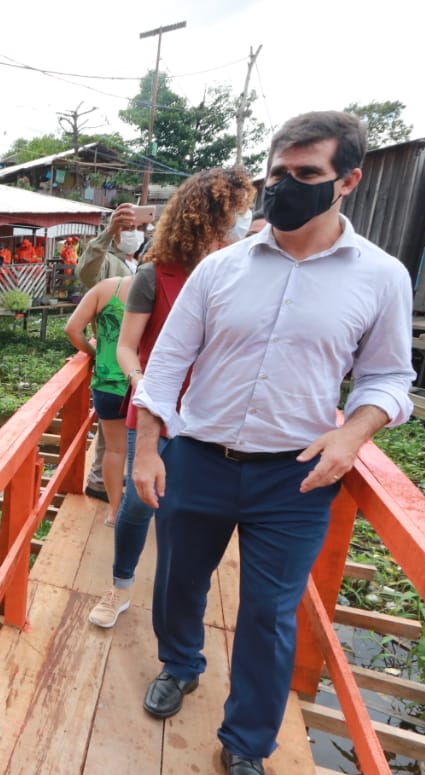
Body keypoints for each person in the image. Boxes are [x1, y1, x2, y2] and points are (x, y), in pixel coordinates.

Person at [130, 111, 415, 775]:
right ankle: (181, 664)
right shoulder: (219, 270)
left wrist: (354, 435)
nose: (285, 186)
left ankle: (248, 743)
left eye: (306, 175)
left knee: (270, 613)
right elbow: (167, 362)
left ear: (347, 180)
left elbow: (387, 378)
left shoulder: (381, 278)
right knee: (177, 581)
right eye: (277, 173)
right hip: (198, 454)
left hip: (296, 473)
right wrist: (144, 448)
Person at [88, 166, 256, 630]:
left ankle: (181, 616)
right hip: (158, 408)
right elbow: (126, 344)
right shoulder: (154, 275)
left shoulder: (245, 276)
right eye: (234, 216)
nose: (241, 227)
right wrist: (139, 378)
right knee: (138, 505)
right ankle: (121, 586)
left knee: (189, 514)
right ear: (207, 218)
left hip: (213, 417)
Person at [78, 207, 151, 502]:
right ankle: (102, 485)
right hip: (114, 362)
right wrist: (109, 233)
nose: (131, 231)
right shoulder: (108, 264)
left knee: (118, 437)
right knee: (113, 437)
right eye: (126, 227)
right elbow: (85, 273)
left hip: (140, 362)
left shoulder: (148, 261)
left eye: (136, 226)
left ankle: (112, 485)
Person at [65, 274, 134, 527]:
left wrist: (96, 353)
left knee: (115, 450)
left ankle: (115, 512)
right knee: (146, 449)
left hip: (108, 383)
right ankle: (142, 510)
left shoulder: (107, 287)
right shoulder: (162, 289)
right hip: (144, 382)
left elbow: (72, 329)